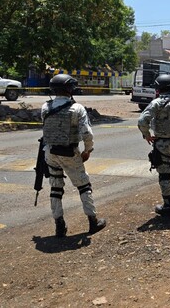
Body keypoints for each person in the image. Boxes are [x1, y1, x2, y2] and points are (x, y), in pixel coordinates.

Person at [40, 74, 106, 237]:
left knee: (55, 187)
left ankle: (59, 226)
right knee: (84, 186)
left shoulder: (45, 107)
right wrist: (87, 150)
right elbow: (87, 133)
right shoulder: (77, 108)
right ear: (70, 89)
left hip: (50, 152)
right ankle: (93, 221)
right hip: (69, 152)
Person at [138, 73, 170, 215]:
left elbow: (142, 121)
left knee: (165, 175)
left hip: (163, 145)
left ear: (158, 88)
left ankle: (167, 205)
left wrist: (147, 136)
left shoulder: (158, 103)